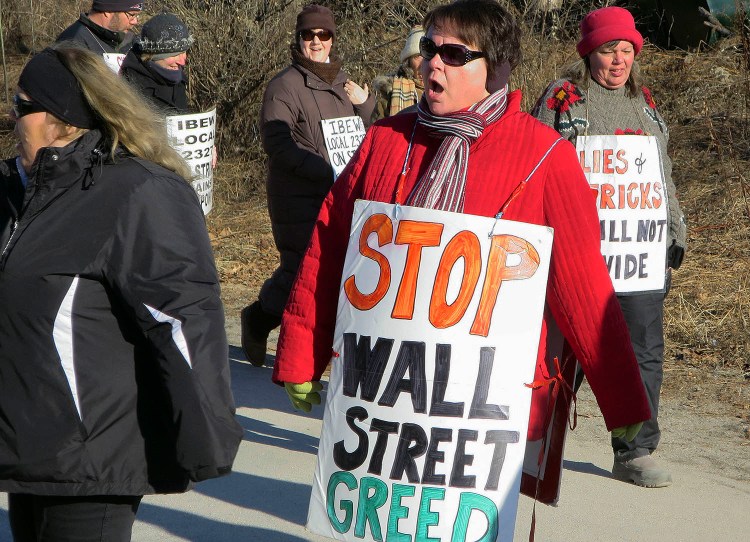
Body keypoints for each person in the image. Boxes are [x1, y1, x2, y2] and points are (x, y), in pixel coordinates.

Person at [272, 0, 650, 459]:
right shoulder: (385, 140)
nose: (433, 62)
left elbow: (584, 286)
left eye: (454, 55)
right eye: (431, 48)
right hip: (383, 397)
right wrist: (301, 354)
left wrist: (622, 398)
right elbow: (329, 250)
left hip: (484, 414)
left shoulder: (546, 157)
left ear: (497, 69)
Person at [0, 45, 242, 541]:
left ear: (62, 119)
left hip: (91, 458)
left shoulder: (136, 191)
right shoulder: (20, 193)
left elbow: (182, 318)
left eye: (22, 107)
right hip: (29, 450)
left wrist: (206, 438)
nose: (11, 118)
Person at [532, 5, 686, 488]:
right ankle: (534, 442)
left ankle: (634, 452)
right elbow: (535, 166)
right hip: (578, 256)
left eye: (626, 50)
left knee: (644, 351)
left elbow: (660, 173)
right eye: (607, 51)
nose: (618, 60)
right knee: (565, 353)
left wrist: (675, 228)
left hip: (637, 257)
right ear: (588, 53)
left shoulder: (646, 103)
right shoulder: (564, 99)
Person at [240, 4, 375, 366]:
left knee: (330, 269)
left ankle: (315, 347)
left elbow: (361, 138)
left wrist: (365, 106)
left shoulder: (345, 84)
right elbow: (277, 144)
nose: (316, 42)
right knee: (301, 269)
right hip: (297, 196)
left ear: (332, 39)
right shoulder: (284, 85)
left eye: (323, 35)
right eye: (308, 35)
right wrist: (322, 170)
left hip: (338, 194)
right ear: (298, 39)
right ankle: (259, 319)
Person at [121, 12, 193, 114]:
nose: (182, 62)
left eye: (184, 52)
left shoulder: (176, 77)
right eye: (174, 55)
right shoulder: (130, 88)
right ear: (152, 55)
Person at [371, 26, 425, 122]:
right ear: (408, 61)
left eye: (427, 56)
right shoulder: (390, 95)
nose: (423, 63)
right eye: (417, 56)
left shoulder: (448, 93)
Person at [56, 1, 143, 58]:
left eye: (137, 15)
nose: (135, 22)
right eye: (132, 15)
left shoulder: (127, 39)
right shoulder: (73, 44)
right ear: (108, 11)